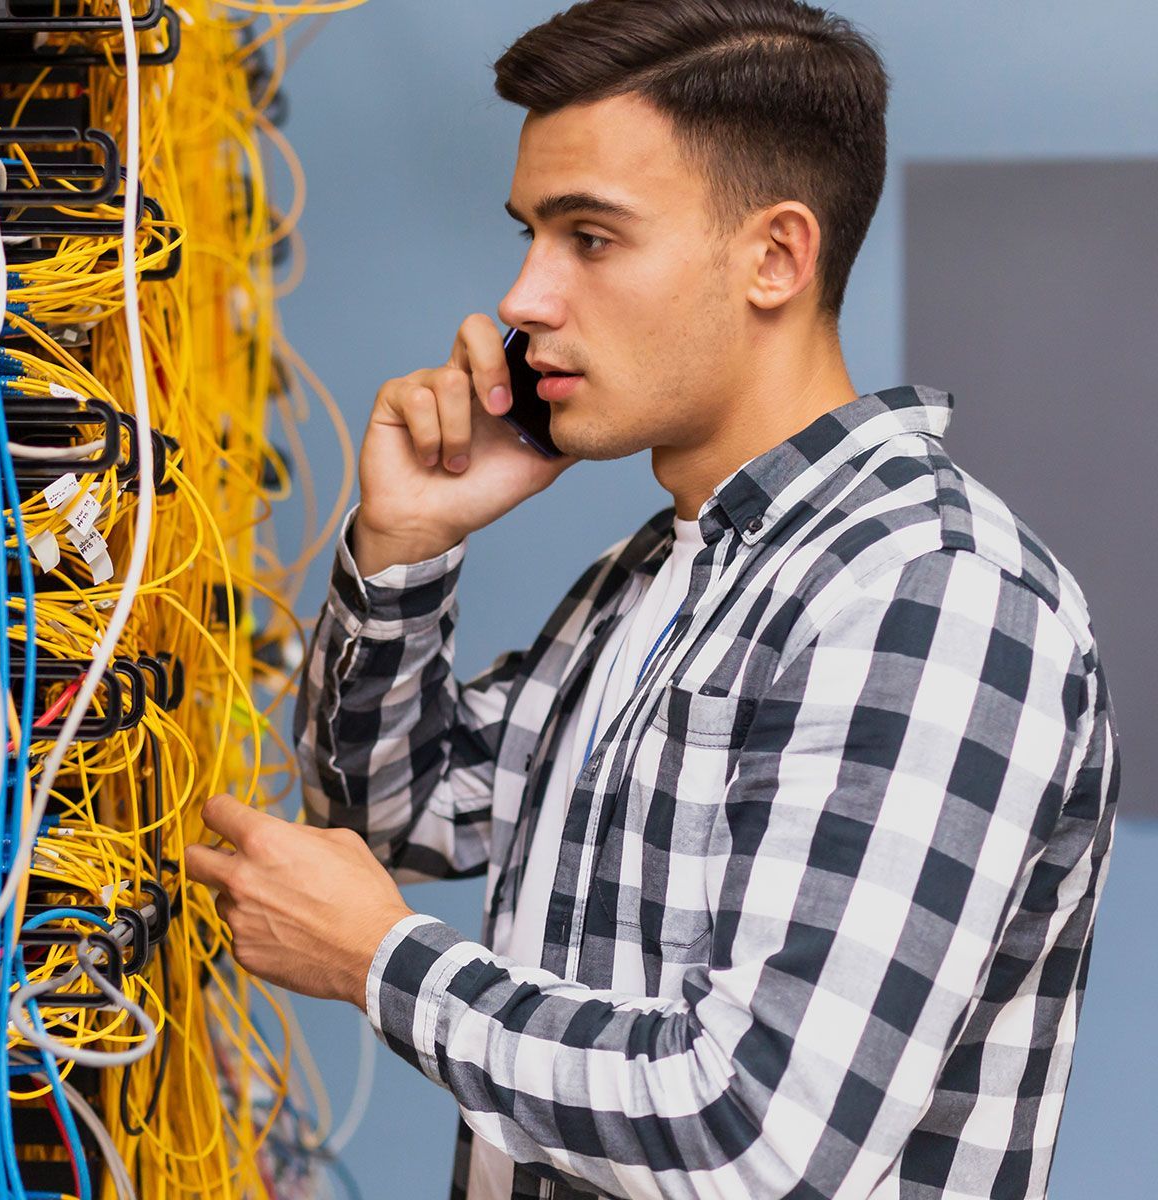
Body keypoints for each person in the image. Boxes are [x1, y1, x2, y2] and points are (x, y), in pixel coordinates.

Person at [181, 2, 1121, 1197]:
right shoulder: (670, 570)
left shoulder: (930, 599)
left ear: (775, 256)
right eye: (530, 234)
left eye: (591, 238)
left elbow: (755, 1139)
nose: (523, 298)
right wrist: (407, 544)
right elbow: (395, 822)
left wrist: (381, 964)